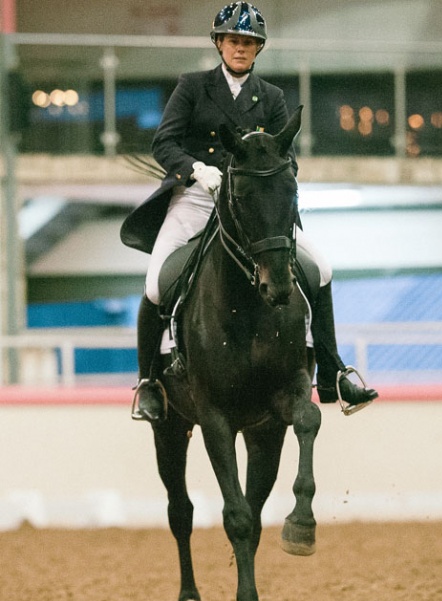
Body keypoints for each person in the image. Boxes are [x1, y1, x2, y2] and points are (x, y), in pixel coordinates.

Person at [120, 1, 378, 422]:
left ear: (258, 49)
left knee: (323, 268)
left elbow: (286, 157)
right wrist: (196, 170)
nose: (241, 48)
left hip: (253, 207)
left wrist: (272, 183)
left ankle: (334, 372)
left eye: (249, 43)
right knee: (154, 285)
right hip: (199, 198)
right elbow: (163, 144)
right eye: (234, 40)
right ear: (220, 43)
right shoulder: (192, 86)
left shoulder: (272, 97)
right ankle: (149, 382)